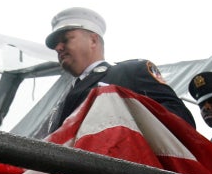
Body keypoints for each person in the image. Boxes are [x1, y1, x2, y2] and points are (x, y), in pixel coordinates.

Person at [43, 7, 196, 134]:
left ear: (93, 40)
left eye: (66, 39)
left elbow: (181, 120)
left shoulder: (130, 73)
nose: (58, 48)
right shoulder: (61, 102)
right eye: (55, 44)